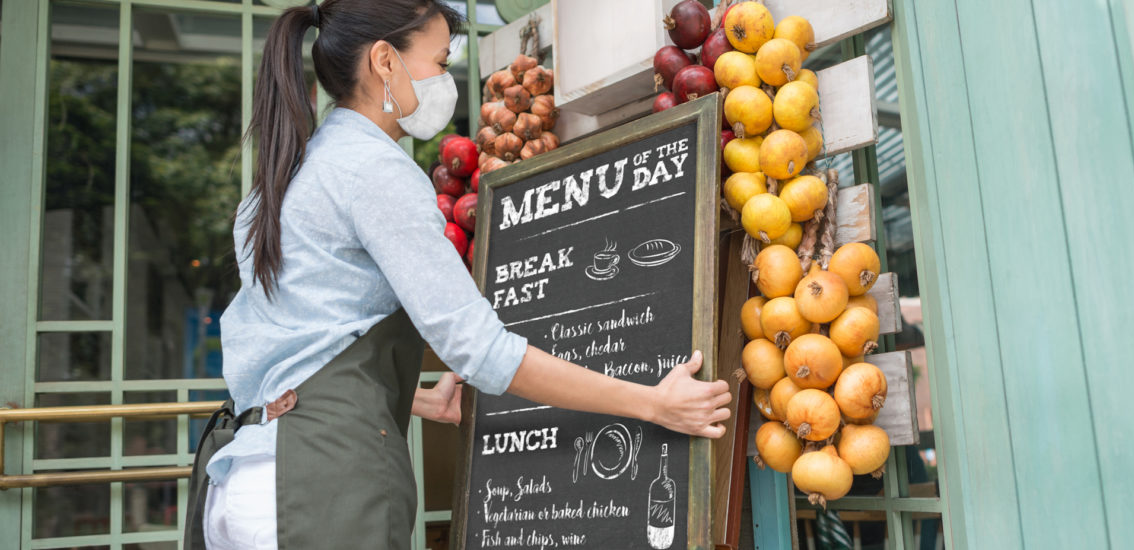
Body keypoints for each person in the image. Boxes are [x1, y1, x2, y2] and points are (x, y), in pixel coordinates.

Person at [180, 1, 732, 549]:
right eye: (441, 61)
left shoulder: (284, 176)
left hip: (241, 482)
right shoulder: (375, 169)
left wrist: (413, 398)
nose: (445, 78)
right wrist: (652, 403)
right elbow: (479, 351)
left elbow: (297, 347)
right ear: (384, 62)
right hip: (320, 487)